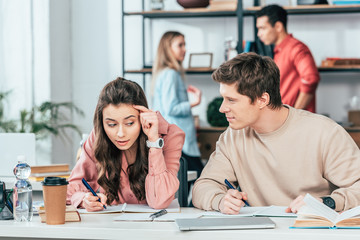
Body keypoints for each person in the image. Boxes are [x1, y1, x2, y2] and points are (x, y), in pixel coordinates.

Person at [192, 52, 360, 214]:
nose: (222, 108)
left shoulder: (324, 132)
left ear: (262, 100)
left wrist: (327, 203)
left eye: (231, 100)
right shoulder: (232, 136)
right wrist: (220, 201)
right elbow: (203, 187)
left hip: (313, 230)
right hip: (260, 232)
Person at [67, 77, 185, 211]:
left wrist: (153, 141)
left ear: (142, 116)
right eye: (111, 124)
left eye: (130, 123)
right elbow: (70, 189)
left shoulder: (171, 135)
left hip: (155, 227)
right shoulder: (99, 136)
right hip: (109, 225)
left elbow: (159, 201)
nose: (120, 133)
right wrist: (83, 199)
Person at [151, 31, 204, 178]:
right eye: (180, 45)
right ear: (168, 49)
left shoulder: (164, 73)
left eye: (184, 45)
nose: (185, 49)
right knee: (201, 178)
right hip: (180, 140)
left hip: (172, 138)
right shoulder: (170, 74)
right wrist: (194, 102)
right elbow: (171, 108)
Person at [256, 4, 320, 113]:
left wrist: (294, 114)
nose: (259, 34)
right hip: (282, 120)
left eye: (262, 28)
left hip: (296, 124)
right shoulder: (279, 51)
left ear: (278, 27)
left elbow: (311, 79)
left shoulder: (296, 48)